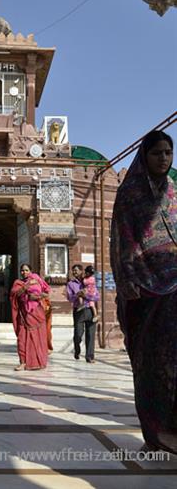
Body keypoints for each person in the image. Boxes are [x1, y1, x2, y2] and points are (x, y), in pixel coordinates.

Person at [110, 130, 177, 454]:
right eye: (156, 153)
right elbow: (124, 244)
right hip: (145, 294)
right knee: (149, 365)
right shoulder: (130, 195)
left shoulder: (175, 192)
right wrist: (131, 284)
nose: (163, 159)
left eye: (168, 152)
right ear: (144, 156)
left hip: (176, 289)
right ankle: (155, 435)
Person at [10, 263, 50, 371]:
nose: (24, 272)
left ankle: (38, 361)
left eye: (26, 270)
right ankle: (22, 362)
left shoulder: (37, 280)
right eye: (22, 270)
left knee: (38, 338)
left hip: (37, 313)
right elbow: (15, 294)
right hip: (24, 315)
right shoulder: (18, 283)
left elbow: (46, 292)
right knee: (22, 339)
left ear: (31, 271)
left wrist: (39, 296)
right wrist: (26, 287)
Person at [66, 264, 97, 363]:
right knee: (78, 334)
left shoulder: (89, 281)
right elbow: (70, 298)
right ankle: (77, 349)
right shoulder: (71, 284)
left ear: (81, 271)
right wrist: (77, 295)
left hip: (89, 309)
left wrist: (87, 296)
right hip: (78, 310)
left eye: (76, 270)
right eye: (73, 270)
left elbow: (97, 297)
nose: (74, 272)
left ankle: (89, 356)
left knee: (90, 334)